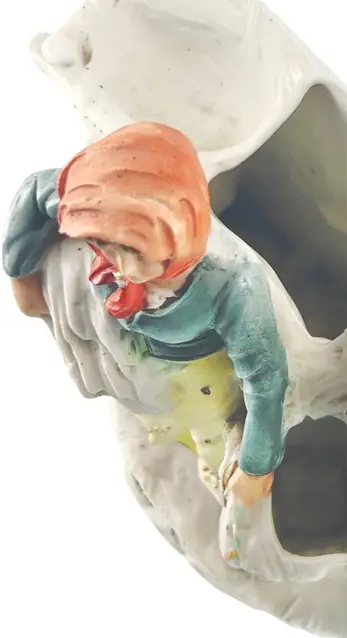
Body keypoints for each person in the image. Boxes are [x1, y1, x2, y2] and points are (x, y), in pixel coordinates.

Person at [2, 121, 289, 509]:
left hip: (204, 387)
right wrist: (19, 270)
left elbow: (266, 379)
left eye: (136, 251)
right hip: (134, 373)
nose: (122, 268)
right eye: (104, 246)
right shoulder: (99, 211)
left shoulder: (231, 284)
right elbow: (36, 191)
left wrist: (256, 467)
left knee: (214, 462)